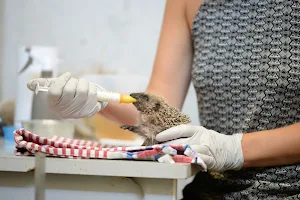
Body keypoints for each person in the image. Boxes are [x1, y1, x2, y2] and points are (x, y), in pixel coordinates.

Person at [27, 0, 300, 199]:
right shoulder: (186, 3)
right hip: (212, 191)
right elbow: (160, 110)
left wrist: (235, 149)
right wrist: (98, 101)